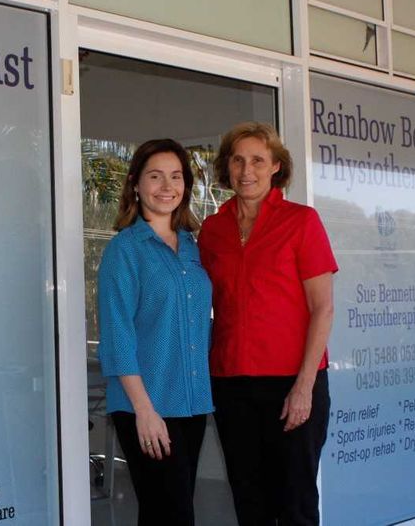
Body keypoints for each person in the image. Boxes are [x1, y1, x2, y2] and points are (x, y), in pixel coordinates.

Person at [198, 122, 337, 526]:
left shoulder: (301, 222)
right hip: (232, 384)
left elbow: (323, 308)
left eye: (258, 160)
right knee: (249, 502)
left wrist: (304, 387)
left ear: (276, 166)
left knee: (295, 505)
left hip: (292, 383)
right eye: (238, 160)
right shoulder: (212, 230)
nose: (246, 170)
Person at [97, 139, 213, 526]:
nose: (167, 186)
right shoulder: (125, 250)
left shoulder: (193, 248)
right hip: (146, 405)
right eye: (155, 176)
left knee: (169, 513)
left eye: (176, 176)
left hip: (192, 403)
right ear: (135, 184)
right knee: (172, 514)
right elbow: (117, 336)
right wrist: (144, 411)